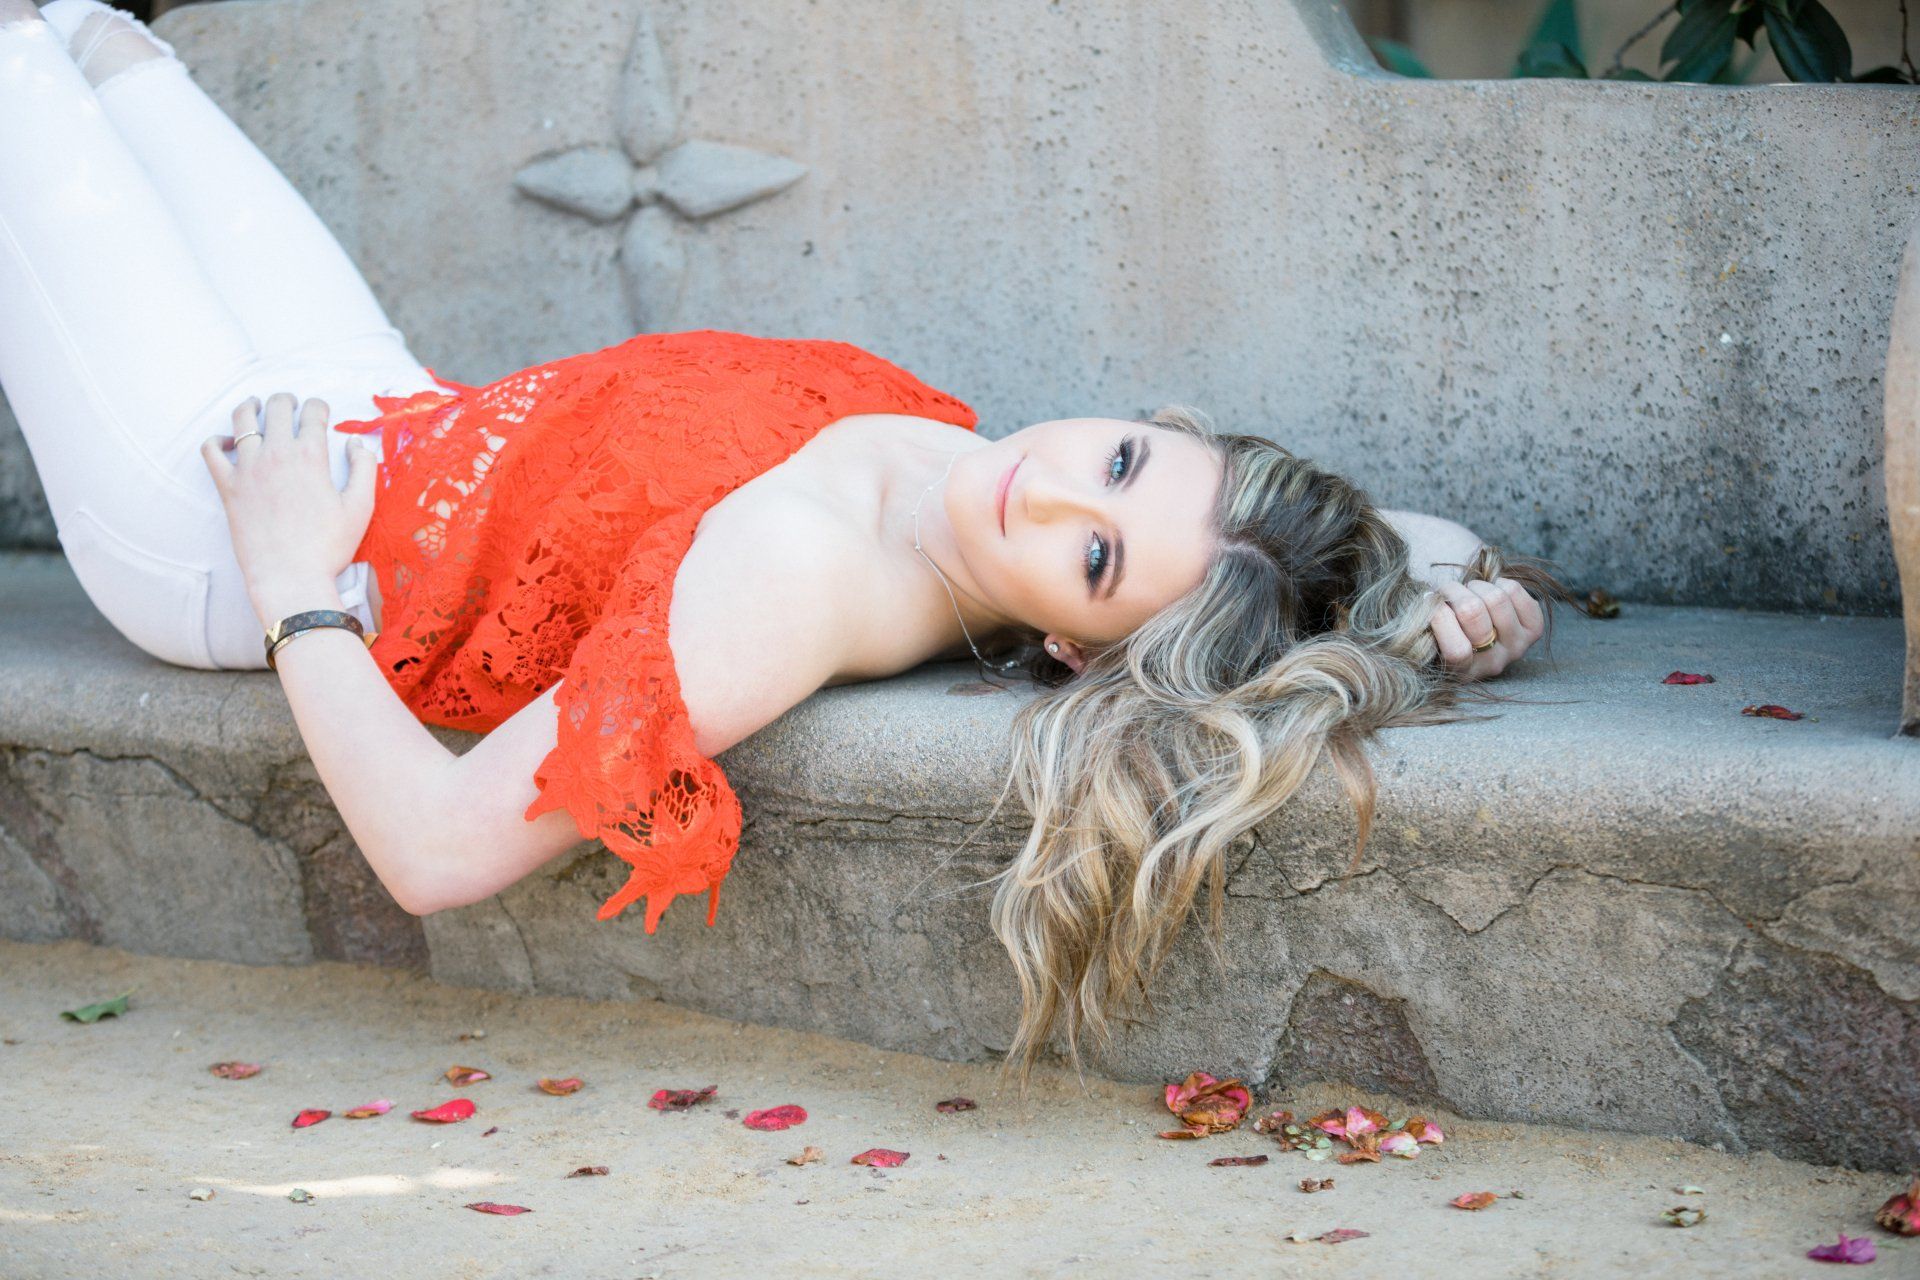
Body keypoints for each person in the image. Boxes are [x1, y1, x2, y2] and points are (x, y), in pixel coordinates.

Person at [0, 0, 1576, 1079]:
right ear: (1152, 417)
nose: (1049, 493)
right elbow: (1310, 534)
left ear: (1078, 644)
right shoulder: (974, 459)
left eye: (1092, 556)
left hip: (222, 512)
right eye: (1116, 458)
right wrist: (1434, 584)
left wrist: (290, 588)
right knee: (101, 42)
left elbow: (438, 851)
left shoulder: (793, 589)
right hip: (368, 403)